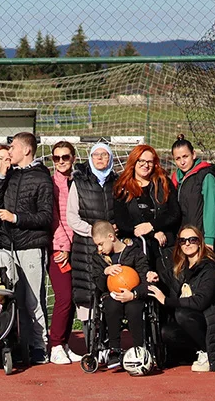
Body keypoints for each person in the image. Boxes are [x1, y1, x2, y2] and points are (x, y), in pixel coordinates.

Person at [0, 131, 54, 363]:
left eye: (13, 147)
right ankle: (20, 344)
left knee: (33, 300)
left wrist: (16, 218)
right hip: (9, 247)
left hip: (31, 246)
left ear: (26, 150)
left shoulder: (42, 178)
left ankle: (39, 345)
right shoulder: (10, 175)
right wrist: (0, 176)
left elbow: (46, 216)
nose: (10, 151)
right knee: (12, 299)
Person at [147, 225, 215, 372]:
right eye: (182, 241)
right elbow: (165, 279)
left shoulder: (208, 267)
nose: (187, 244)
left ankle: (208, 353)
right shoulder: (181, 266)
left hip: (210, 322)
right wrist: (153, 276)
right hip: (193, 320)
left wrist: (166, 300)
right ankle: (194, 353)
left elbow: (201, 302)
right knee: (166, 332)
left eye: (192, 240)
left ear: (200, 242)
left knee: (181, 314)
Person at [90, 221, 150, 369]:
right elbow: (99, 285)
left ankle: (139, 349)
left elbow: (144, 278)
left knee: (134, 309)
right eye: (97, 245)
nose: (99, 249)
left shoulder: (134, 252)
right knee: (111, 306)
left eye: (101, 244)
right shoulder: (98, 258)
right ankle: (114, 349)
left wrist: (134, 294)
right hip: (111, 294)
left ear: (111, 237)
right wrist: (105, 272)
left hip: (133, 294)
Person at [113, 144, 180, 271]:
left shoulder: (163, 183)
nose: (146, 165)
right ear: (134, 162)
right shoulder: (122, 187)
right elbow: (122, 221)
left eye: (149, 162)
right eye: (141, 161)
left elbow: (174, 213)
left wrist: (153, 225)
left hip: (164, 248)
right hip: (137, 249)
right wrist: (151, 233)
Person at [67, 142, 115, 318]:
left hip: (111, 245)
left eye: (104, 155)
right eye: (96, 155)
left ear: (110, 158)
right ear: (90, 158)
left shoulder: (118, 182)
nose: (100, 158)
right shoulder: (79, 183)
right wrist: (94, 233)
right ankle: (89, 329)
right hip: (85, 245)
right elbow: (72, 217)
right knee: (87, 293)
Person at [47, 141, 81, 365]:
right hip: (60, 249)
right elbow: (54, 218)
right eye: (56, 158)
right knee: (64, 296)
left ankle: (66, 344)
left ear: (73, 158)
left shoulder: (79, 181)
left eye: (65, 157)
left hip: (80, 247)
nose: (61, 161)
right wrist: (64, 247)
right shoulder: (51, 184)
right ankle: (55, 345)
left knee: (75, 297)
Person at [170, 136, 215, 247]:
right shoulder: (175, 179)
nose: (182, 162)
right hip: (183, 239)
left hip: (200, 238)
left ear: (194, 154)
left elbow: (211, 208)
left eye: (185, 156)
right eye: (178, 158)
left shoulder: (206, 176)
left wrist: (209, 239)